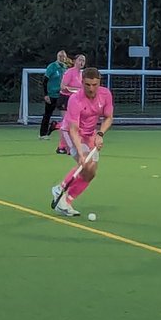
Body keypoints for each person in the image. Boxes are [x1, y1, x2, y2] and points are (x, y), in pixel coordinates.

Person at [50, 66, 113, 217]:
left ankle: (66, 201)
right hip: (71, 133)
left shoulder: (105, 94)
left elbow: (108, 117)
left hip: (91, 134)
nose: (91, 88)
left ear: (99, 83)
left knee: (90, 173)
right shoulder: (75, 99)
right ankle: (59, 188)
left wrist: (100, 134)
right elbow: (73, 129)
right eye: (87, 85)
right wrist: (80, 153)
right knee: (85, 164)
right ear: (82, 82)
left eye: (95, 84)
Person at [55, 53, 87, 154]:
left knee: (72, 124)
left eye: (83, 60)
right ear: (74, 61)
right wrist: (75, 90)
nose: (81, 62)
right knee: (67, 123)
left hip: (75, 101)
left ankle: (64, 146)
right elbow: (63, 86)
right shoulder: (69, 72)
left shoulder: (82, 74)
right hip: (65, 99)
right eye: (80, 60)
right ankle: (64, 147)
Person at [38, 50, 71, 140]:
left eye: (64, 56)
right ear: (57, 57)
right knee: (47, 114)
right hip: (52, 95)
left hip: (62, 95)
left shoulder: (65, 67)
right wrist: (46, 94)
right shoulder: (52, 67)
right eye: (60, 56)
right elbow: (45, 81)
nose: (62, 58)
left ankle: (56, 127)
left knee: (67, 114)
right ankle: (43, 134)